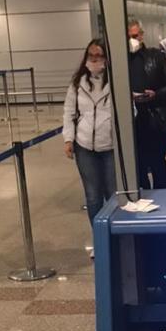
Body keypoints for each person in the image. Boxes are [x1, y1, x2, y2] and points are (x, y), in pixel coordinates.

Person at [63, 39, 115, 230]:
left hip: (110, 146)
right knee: (93, 196)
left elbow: (129, 111)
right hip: (84, 146)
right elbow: (69, 112)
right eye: (91, 55)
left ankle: (115, 236)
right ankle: (100, 238)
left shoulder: (116, 81)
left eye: (99, 56)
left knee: (113, 194)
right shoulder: (78, 83)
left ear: (106, 58)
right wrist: (68, 139)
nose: (94, 60)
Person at [128, 19, 166, 190]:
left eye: (135, 36)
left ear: (142, 35)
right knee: (138, 166)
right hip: (132, 123)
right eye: (128, 37)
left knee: (158, 164)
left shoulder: (156, 57)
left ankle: (162, 196)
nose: (132, 40)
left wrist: (156, 95)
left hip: (155, 120)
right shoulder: (120, 61)